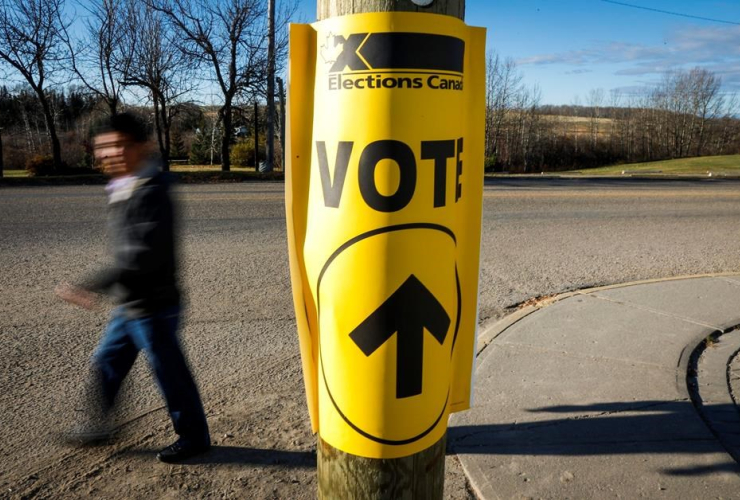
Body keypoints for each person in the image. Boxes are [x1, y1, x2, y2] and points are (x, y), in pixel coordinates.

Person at [56, 112, 210, 463]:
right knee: (108, 362)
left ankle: (195, 437)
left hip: (154, 303)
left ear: (142, 147)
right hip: (132, 301)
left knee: (169, 372)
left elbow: (143, 254)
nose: (108, 154)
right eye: (102, 148)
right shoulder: (126, 186)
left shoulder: (152, 189)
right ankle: (98, 425)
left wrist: (94, 285)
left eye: (117, 146)